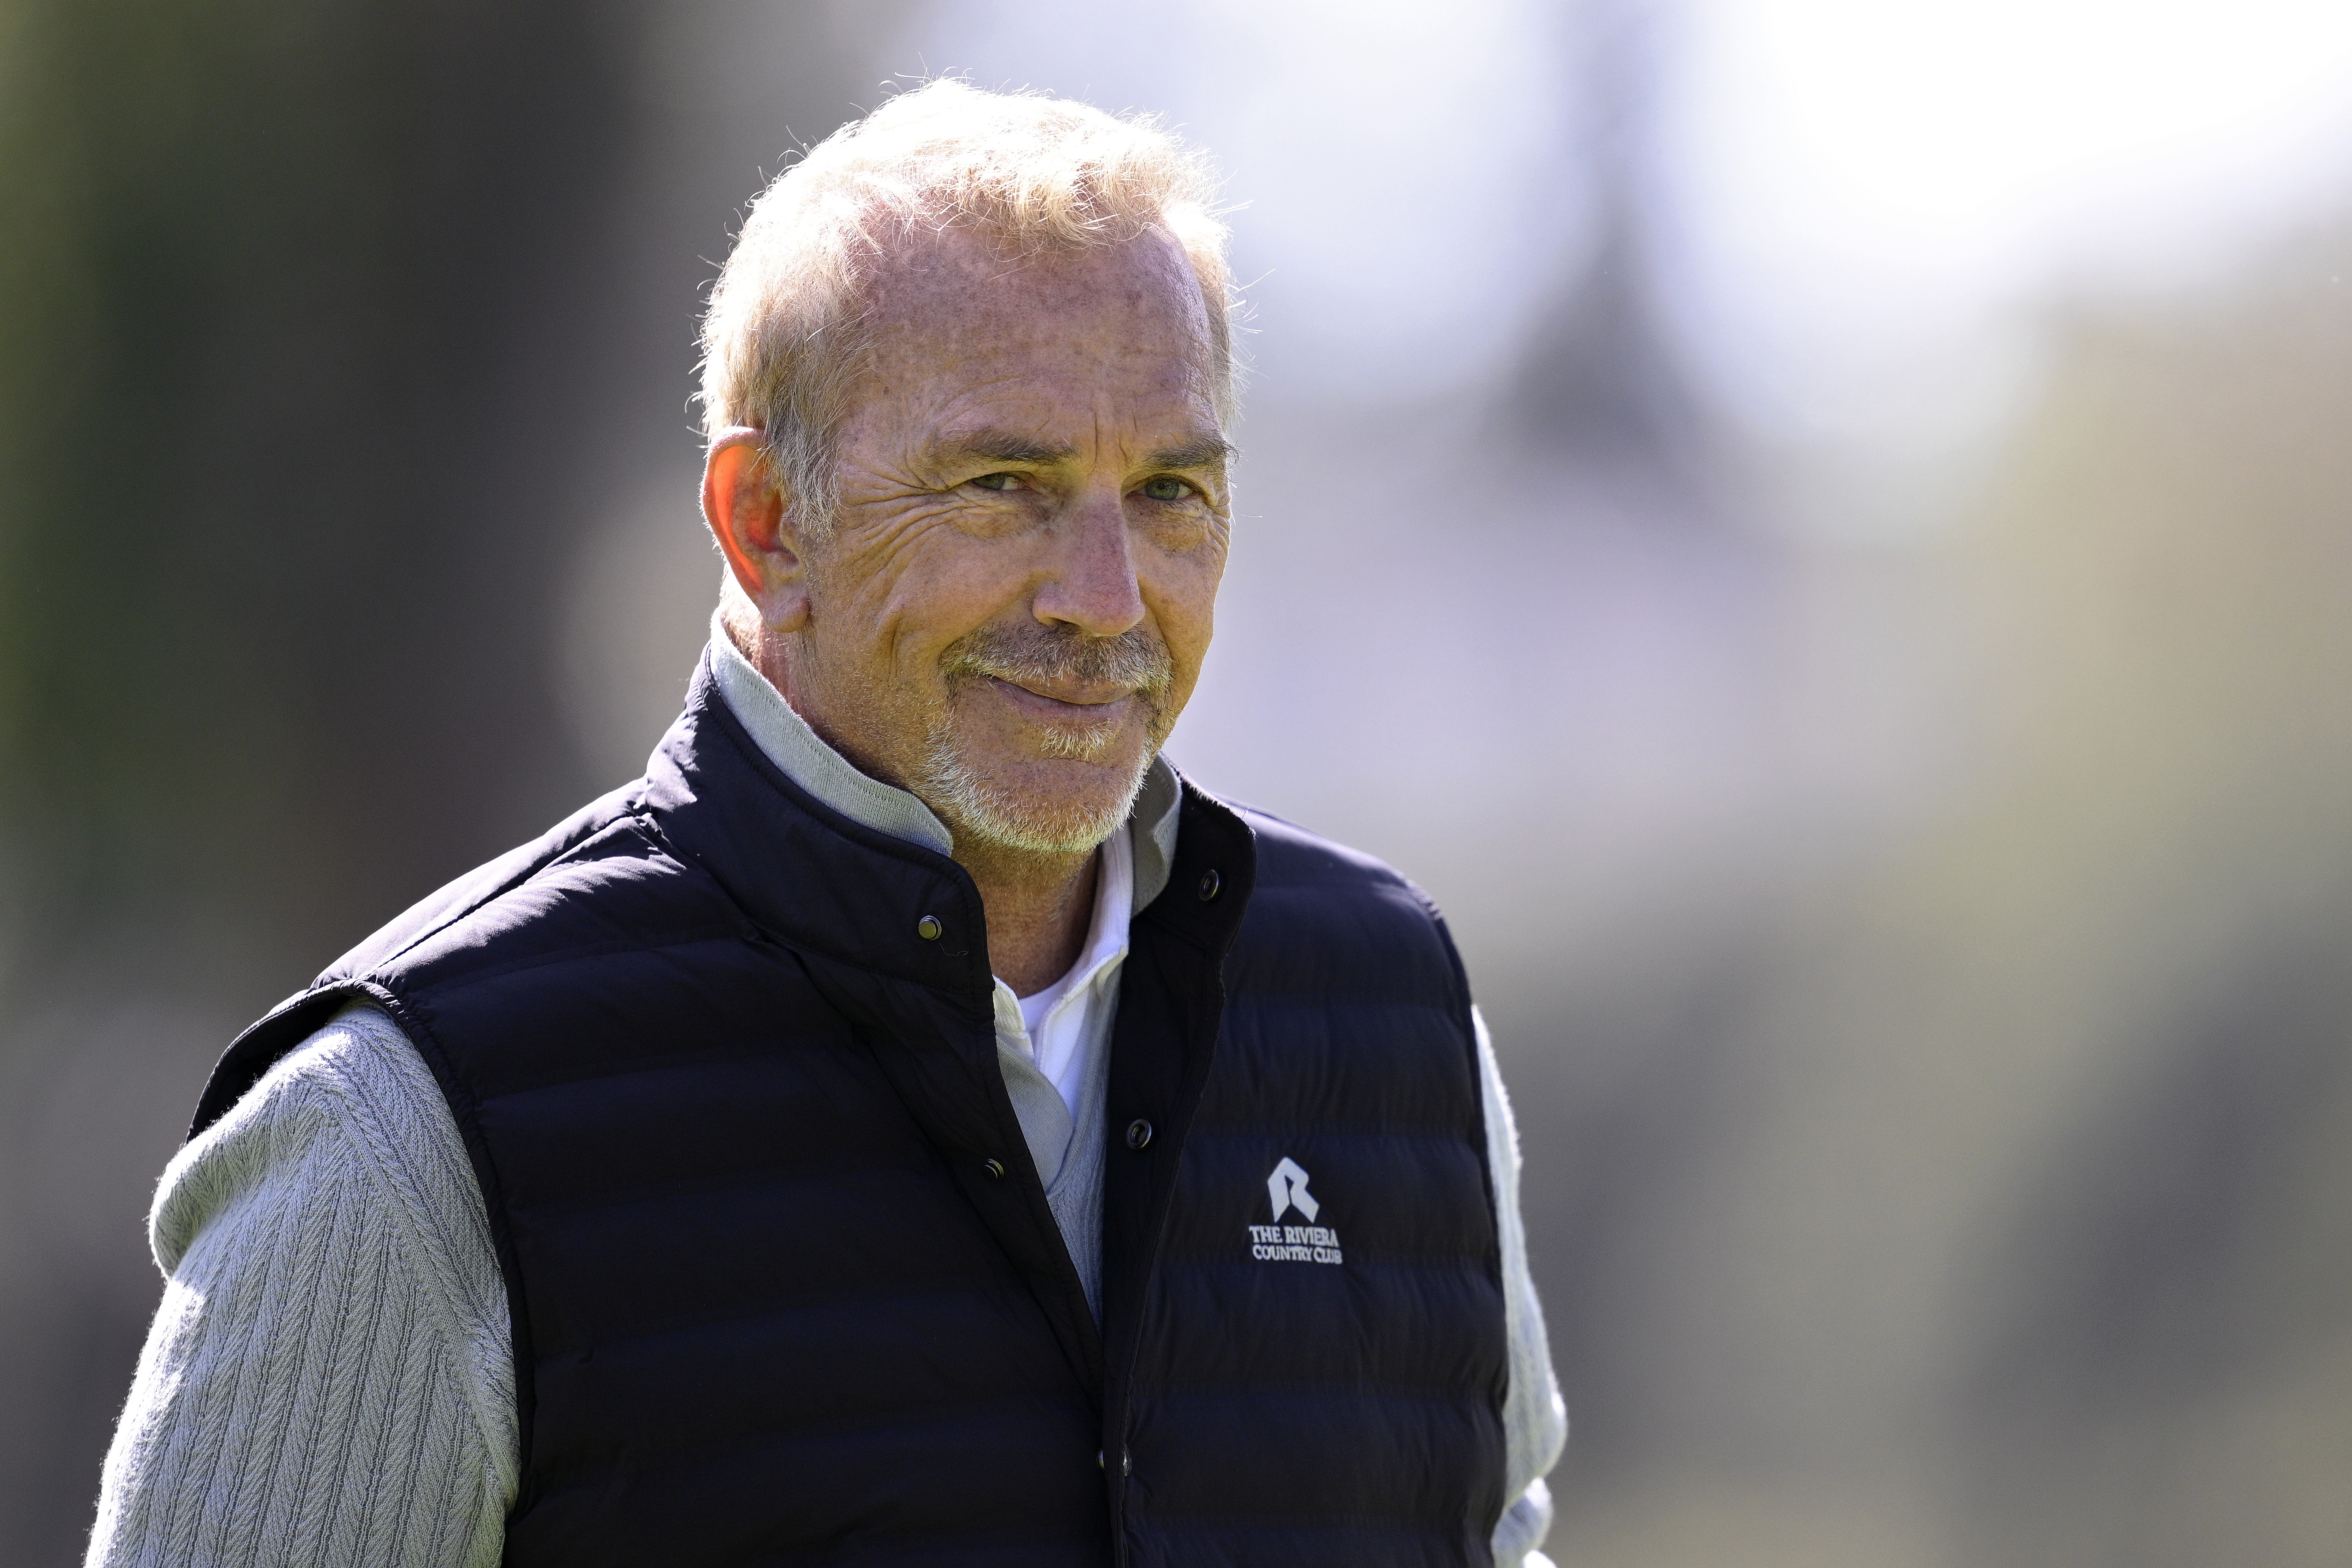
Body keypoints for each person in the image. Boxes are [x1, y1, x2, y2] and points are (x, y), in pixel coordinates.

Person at [85, 79, 1566, 1568]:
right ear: (766, 523)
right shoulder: (405, 1124)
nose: (1106, 598)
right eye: (1005, 485)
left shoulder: (1390, 1014)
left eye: (1171, 490)